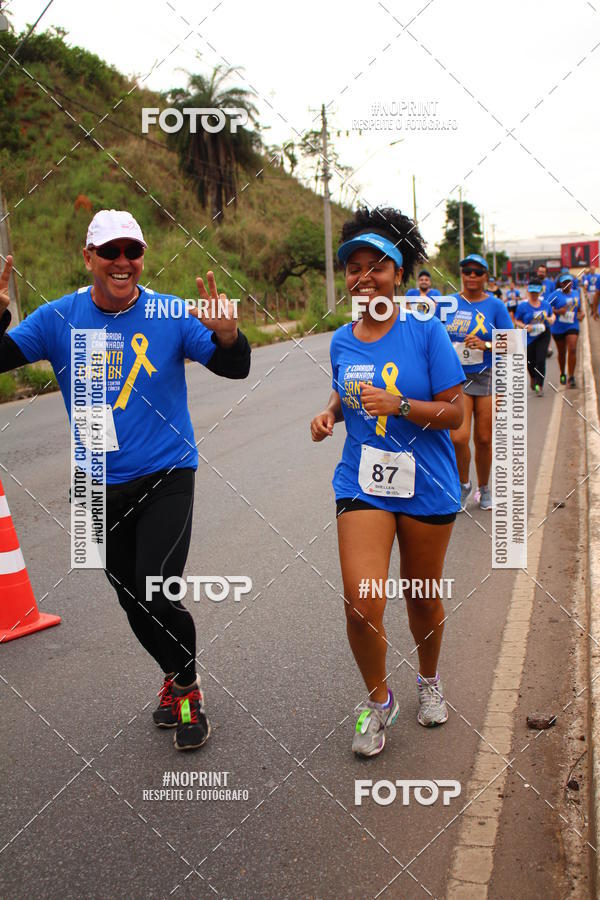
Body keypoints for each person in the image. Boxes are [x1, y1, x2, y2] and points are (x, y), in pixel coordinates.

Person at [0, 210, 251, 751]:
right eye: (109, 252)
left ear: (142, 257)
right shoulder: (57, 319)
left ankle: (187, 689)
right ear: (88, 257)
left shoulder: (169, 312)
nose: (122, 262)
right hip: (93, 483)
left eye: (131, 251)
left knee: (156, 588)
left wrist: (230, 336)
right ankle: (173, 675)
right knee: (129, 600)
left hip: (166, 470)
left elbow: (235, 368)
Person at [310, 207, 465, 757]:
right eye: (354, 267)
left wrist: (400, 405)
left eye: (376, 266)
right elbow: (348, 386)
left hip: (427, 483)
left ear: (398, 273)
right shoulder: (341, 340)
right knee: (361, 601)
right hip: (362, 482)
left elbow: (455, 415)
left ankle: (428, 680)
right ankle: (379, 703)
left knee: (420, 597)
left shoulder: (425, 330)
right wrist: (330, 411)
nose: (364, 276)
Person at [439, 253, 513, 511]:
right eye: (467, 271)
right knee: (458, 437)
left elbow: (514, 342)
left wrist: (487, 344)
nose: (471, 276)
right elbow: (431, 334)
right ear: (461, 274)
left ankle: (484, 488)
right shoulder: (446, 304)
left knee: (483, 438)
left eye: (477, 272)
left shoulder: (496, 306)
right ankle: (463, 485)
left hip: (486, 375)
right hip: (456, 377)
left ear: (485, 277)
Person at [514, 278, 555, 396]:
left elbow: (552, 316)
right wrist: (524, 326)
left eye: (536, 292)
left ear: (540, 291)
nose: (534, 294)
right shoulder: (523, 306)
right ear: (528, 291)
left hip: (543, 334)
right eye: (532, 292)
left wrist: (551, 319)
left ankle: (539, 385)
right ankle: (533, 377)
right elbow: (516, 320)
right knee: (530, 362)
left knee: (541, 359)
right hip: (529, 335)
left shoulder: (545, 305)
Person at [549, 272, 584, 387]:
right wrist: (558, 312)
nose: (567, 284)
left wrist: (581, 314)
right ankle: (562, 373)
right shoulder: (555, 294)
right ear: (560, 283)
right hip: (558, 327)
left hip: (572, 324)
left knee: (572, 349)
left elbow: (578, 308)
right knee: (562, 352)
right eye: (564, 282)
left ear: (571, 283)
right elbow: (546, 308)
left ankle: (571, 377)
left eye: (569, 282)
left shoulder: (575, 293)